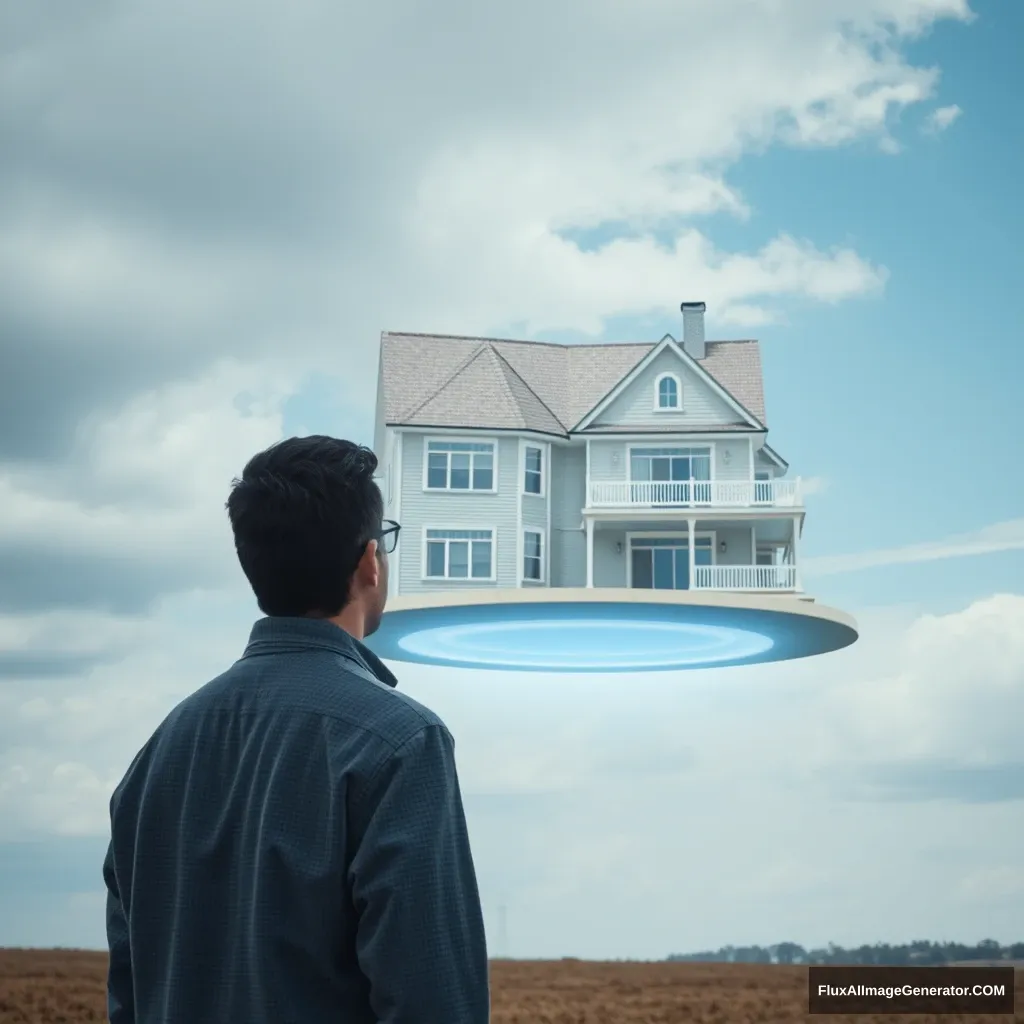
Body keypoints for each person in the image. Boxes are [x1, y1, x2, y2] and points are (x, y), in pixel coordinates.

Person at [102, 436, 490, 1023]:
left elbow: (129, 994)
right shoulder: (401, 742)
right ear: (369, 562)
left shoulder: (160, 749)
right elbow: (432, 999)